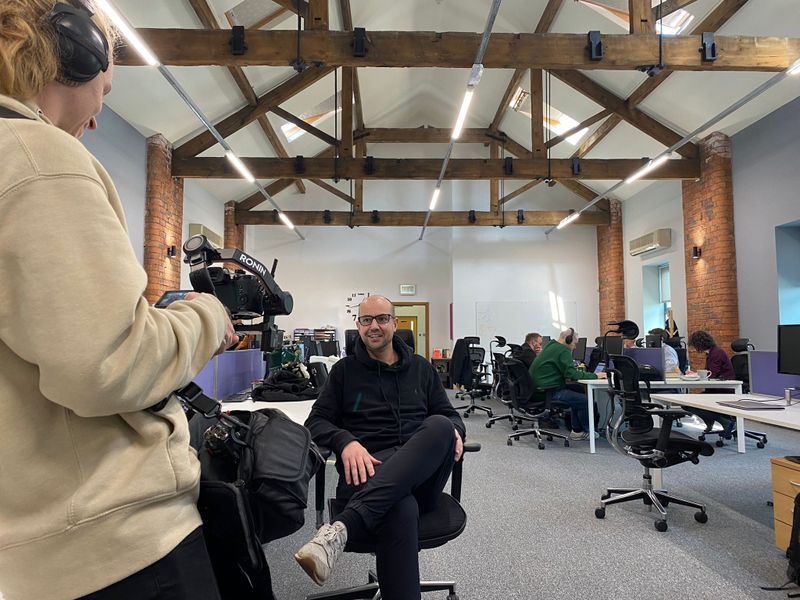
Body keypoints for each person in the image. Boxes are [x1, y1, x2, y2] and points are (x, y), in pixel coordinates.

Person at [0, 4, 237, 599]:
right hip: (116, 544)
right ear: (72, 55)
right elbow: (113, 363)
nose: (99, 114)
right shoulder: (40, 159)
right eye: (103, 91)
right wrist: (209, 315)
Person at [295, 295, 465, 600]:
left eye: (382, 318)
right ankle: (350, 526)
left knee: (441, 425)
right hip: (366, 474)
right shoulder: (344, 372)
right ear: (358, 326)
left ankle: (343, 527)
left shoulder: (422, 369)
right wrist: (345, 441)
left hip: (421, 480)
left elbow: (451, 416)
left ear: (395, 324)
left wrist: (456, 431)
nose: (374, 326)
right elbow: (316, 422)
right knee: (400, 507)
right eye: (366, 320)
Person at [529, 328, 606, 441]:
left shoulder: (551, 345)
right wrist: (595, 376)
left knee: (579, 389)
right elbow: (572, 374)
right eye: (575, 343)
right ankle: (587, 431)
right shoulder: (563, 350)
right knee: (586, 401)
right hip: (548, 391)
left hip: (539, 388)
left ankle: (576, 430)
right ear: (568, 340)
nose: (575, 347)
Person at [683, 330, 736, 435]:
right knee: (687, 403)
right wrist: (695, 374)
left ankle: (724, 421)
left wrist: (695, 375)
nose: (694, 349)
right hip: (716, 389)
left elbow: (711, 375)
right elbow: (710, 373)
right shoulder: (713, 352)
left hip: (722, 390)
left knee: (688, 404)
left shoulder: (716, 354)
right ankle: (710, 420)